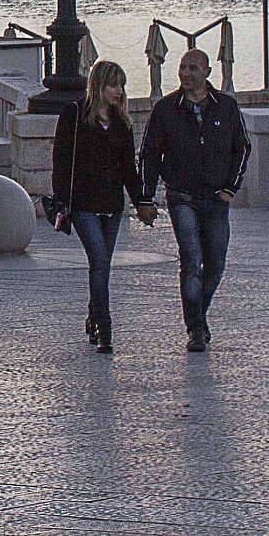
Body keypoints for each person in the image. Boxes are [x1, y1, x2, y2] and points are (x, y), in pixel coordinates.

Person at [140, 48, 251, 352]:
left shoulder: (226, 107)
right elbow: (149, 154)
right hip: (182, 198)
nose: (186, 74)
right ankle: (196, 328)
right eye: (182, 68)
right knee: (191, 261)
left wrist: (231, 188)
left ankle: (198, 314)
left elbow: (242, 148)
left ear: (206, 73)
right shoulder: (165, 109)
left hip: (217, 199)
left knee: (215, 264)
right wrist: (146, 197)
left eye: (193, 68)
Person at [49, 60, 143, 354]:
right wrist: (63, 198)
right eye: (113, 85)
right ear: (98, 86)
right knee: (99, 262)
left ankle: (93, 314)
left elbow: (130, 167)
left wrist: (141, 201)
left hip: (113, 205)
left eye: (121, 86)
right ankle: (105, 328)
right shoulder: (74, 115)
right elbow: (61, 160)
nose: (119, 91)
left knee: (103, 266)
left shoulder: (121, 122)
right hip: (84, 203)